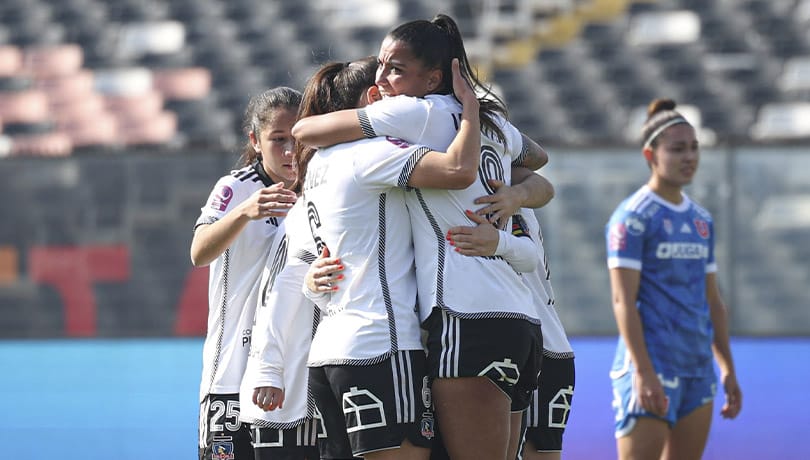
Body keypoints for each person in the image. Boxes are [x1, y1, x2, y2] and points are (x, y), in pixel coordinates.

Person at [294, 14, 549, 460]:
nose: (382, 80)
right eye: (381, 68)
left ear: (432, 78)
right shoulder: (492, 123)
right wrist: (515, 192)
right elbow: (540, 159)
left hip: (464, 315)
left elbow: (305, 131)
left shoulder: (413, 111)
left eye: (394, 68)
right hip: (520, 317)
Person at [297, 55, 485, 460]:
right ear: (371, 99)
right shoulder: (372, 153)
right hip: (381, 344)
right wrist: (471, 109)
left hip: (328, 352)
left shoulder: (316, 166)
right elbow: (457, 169)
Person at [605, 98, 742, 460]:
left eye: (694, 148)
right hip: (652, 367)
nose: (689, 157)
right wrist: (644, 372)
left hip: (697, 369)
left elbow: (712, 300)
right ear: (651, 156)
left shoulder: (701, 220)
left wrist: (726, 367)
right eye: (677, 149)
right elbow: (623, 301)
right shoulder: (632, 218)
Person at [191, 87, 301, 460]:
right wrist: (244, 213)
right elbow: (198, 251)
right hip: (232, 376)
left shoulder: (319, 192)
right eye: (278, 140)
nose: (290, 151)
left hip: (293, 376)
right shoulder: (236, 188)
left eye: (297, 138)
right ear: (255, 141)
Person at [446, 208, 576, 460]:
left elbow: (537, 180)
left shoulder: (497, 196)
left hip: (534, 345)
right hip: (540, 341)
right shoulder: (513, 192)